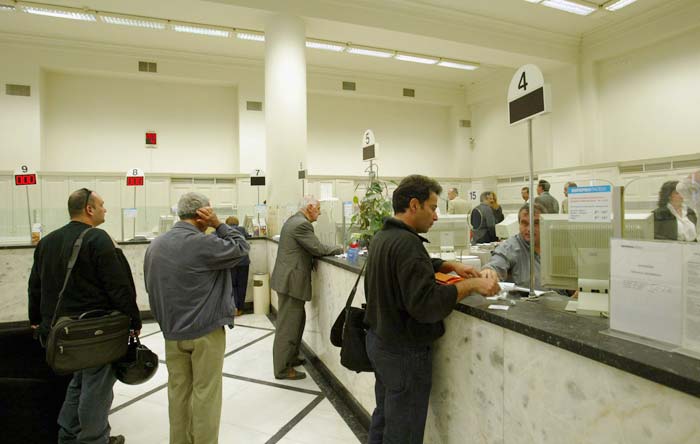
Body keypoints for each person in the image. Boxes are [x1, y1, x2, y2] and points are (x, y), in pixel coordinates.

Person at [363, 174, 500, 444]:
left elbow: (406, 266)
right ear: (414, 205)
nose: (436, 216)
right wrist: (472, 285)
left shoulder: (384, 236)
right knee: (403, 433)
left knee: (384, 418)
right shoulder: (408, 244)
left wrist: (448, 265)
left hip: (380, 343)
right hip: (404, 353)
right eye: (433, 208)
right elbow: (427, 305)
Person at [28, 188, 142, 444]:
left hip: (62, 333)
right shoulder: (98, 239)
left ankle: (68, 435)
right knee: (97, 388)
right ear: (89, 209)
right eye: (101, 205)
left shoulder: (47, 241)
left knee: (78, 383)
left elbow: (35, 285)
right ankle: (94, 439)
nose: (105, 209)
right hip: (95, 332)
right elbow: (119, 286)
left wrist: (36, 320)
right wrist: (133, 321)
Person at [144, 192, 249, 444]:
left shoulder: (155, 245)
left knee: (178, 392)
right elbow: (242, 249)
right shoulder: (204, 243)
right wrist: (219, 224)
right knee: (206, 393)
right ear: (203, 215)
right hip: (205, 333)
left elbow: (150, 287)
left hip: (173, 333)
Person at [271, 196, 343, 380]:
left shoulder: (294, 220)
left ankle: (291, 357)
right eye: (318, 208)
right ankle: (282, 369)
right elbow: (318, 248)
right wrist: (339, 249)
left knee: (296, 322)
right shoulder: (302, 225)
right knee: (288, 327)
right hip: (291, 282)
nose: (320, 212)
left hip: (288, 280)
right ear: (310, 207)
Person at [481, 203, 546, 289]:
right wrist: (489, 271)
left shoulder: (553, 247)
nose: (529, 229)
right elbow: (497, 262)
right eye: (524, 223)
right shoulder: (511, 247)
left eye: (536, 223)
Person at [226, 216, 251, 316]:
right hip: (244, 262)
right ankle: (240, 309)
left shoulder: (225, 230)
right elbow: (248, 236)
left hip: (231, 262)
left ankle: (234, 307)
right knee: (242, 285)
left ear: (227, 223)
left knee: (232, 285)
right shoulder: (242, 229)